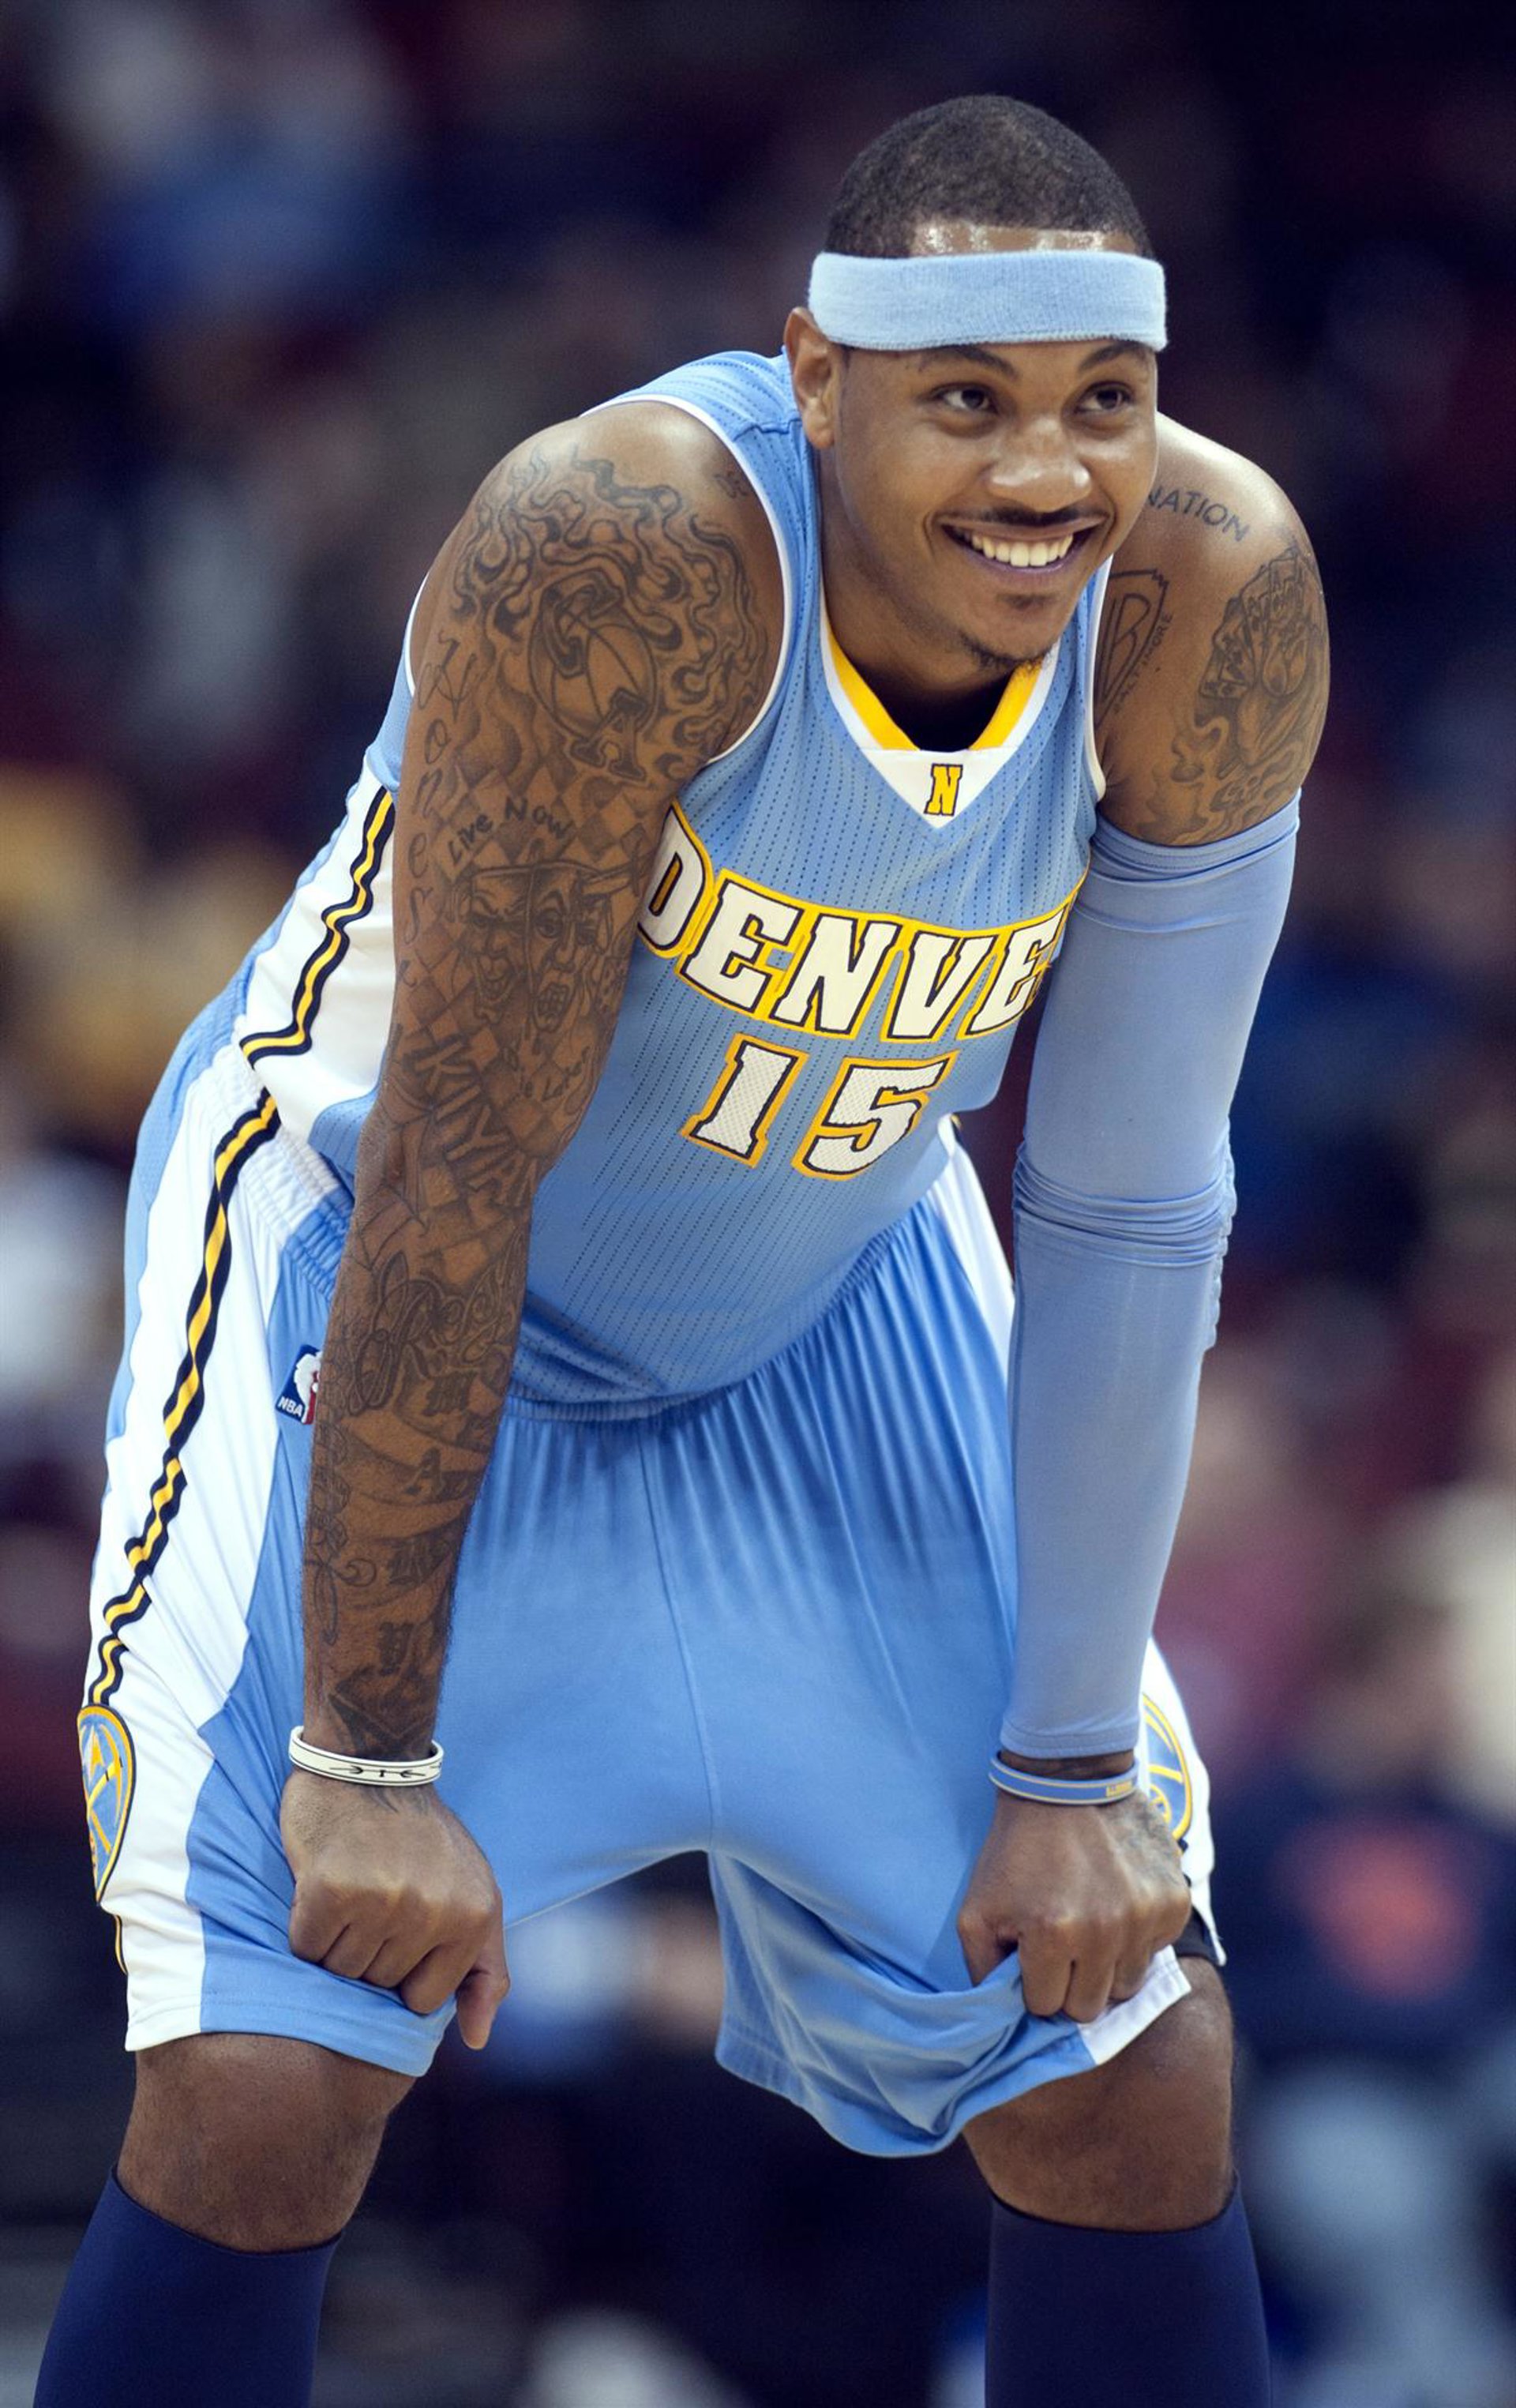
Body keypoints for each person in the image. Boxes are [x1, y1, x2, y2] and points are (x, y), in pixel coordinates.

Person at [39, 93, 1327, 2408]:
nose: (1047, 470)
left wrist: (1066, 1775)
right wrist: (369, 1748)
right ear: (817, 380)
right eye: (967, 399)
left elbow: (1135, 1193)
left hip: (831, 1286)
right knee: (264, 2083)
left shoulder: (1210, 593)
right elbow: (458, 1160)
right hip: (395, 1254)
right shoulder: (623, 545)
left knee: (1130, 2062)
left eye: (1103, 400)